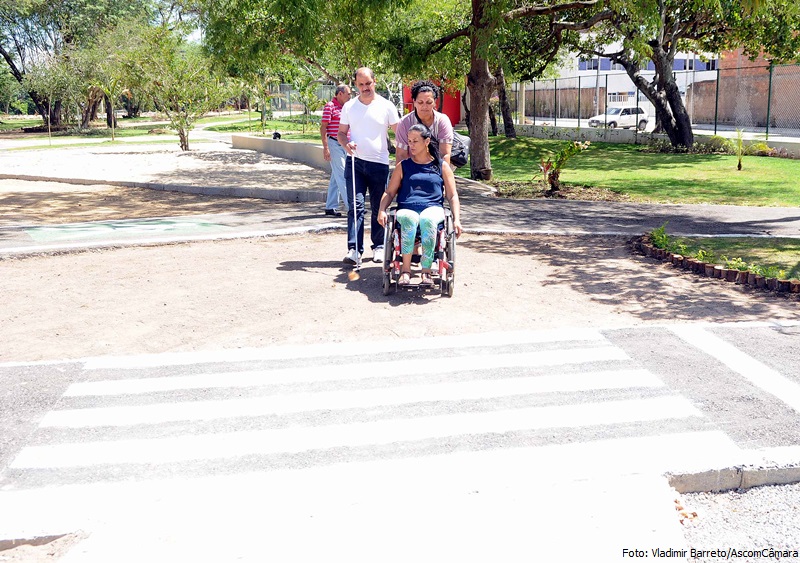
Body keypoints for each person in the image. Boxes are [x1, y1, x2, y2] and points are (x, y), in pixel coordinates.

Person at [377, 123, 463, 286]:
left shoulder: (441, 166)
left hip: (433, 208)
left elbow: (452, 195)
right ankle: (406, 270)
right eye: (409, 141)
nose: (411, 145)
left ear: (427, 141)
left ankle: (426, 271)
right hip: (407, 208)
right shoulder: (403, 166)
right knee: (409, 218)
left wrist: (457, 220)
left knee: (427, 219)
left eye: (415, 141)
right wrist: (382, 210)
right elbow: (389, 192)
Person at [338, 67, 400, 265]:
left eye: (368, 83)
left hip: (379, 164)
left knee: (378, 207)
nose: (365, 87)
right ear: (356, 85)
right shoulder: (349, 107)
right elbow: (341, 133)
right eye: (361, 84)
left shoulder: (386, 106)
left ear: (375, 82)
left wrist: (403, 160)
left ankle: (379, 246)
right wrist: (346, 145)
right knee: (355, 207)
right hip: (355, 163)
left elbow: (399, 134)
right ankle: (354, 249)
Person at [395, 80, 455, 170]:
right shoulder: (404, 123)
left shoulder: (442, 121)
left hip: (436, 170)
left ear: (435, 102)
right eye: (420, 102)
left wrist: (441, 176)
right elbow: (401, 155)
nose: (424, 106)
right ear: (414, 102)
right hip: (413, 170)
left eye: (429, 102)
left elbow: (445, 154)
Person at [320, 84, 351, 217]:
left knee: (336, 176)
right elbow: (323, 127)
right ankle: (352, 207)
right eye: (348, 94)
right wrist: (326, 147)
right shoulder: (330, 106)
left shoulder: (347, 108)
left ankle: (330, 206)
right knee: (343, 175)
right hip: (334, 143)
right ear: (340, 94)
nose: (350, 97)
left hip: (345, 145)